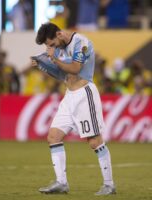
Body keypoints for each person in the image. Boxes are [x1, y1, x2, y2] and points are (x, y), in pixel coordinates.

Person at [31, 22, 116, 195]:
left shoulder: (81, 43)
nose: (51, 48)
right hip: (69, 96)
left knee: (94, 141)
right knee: (53, 136)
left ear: (59, 34)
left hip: (85, 94)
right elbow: (62, 74)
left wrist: (53, 58)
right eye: (48, 47)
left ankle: (109, 185)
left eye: (52, 44)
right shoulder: (59, 49)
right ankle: (61, 183)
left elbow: (75, 69)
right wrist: (43, 64)